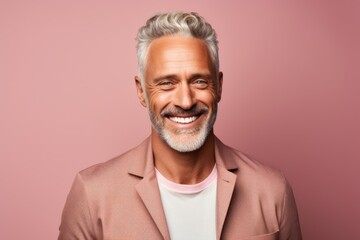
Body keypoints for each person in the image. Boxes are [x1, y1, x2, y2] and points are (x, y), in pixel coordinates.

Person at [58, 12, 302, 240]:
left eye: (199, 81)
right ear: (141, 91)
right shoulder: (92, 195)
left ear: (218, 86)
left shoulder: (272, 191)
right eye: (166, 83)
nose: (185, 101)